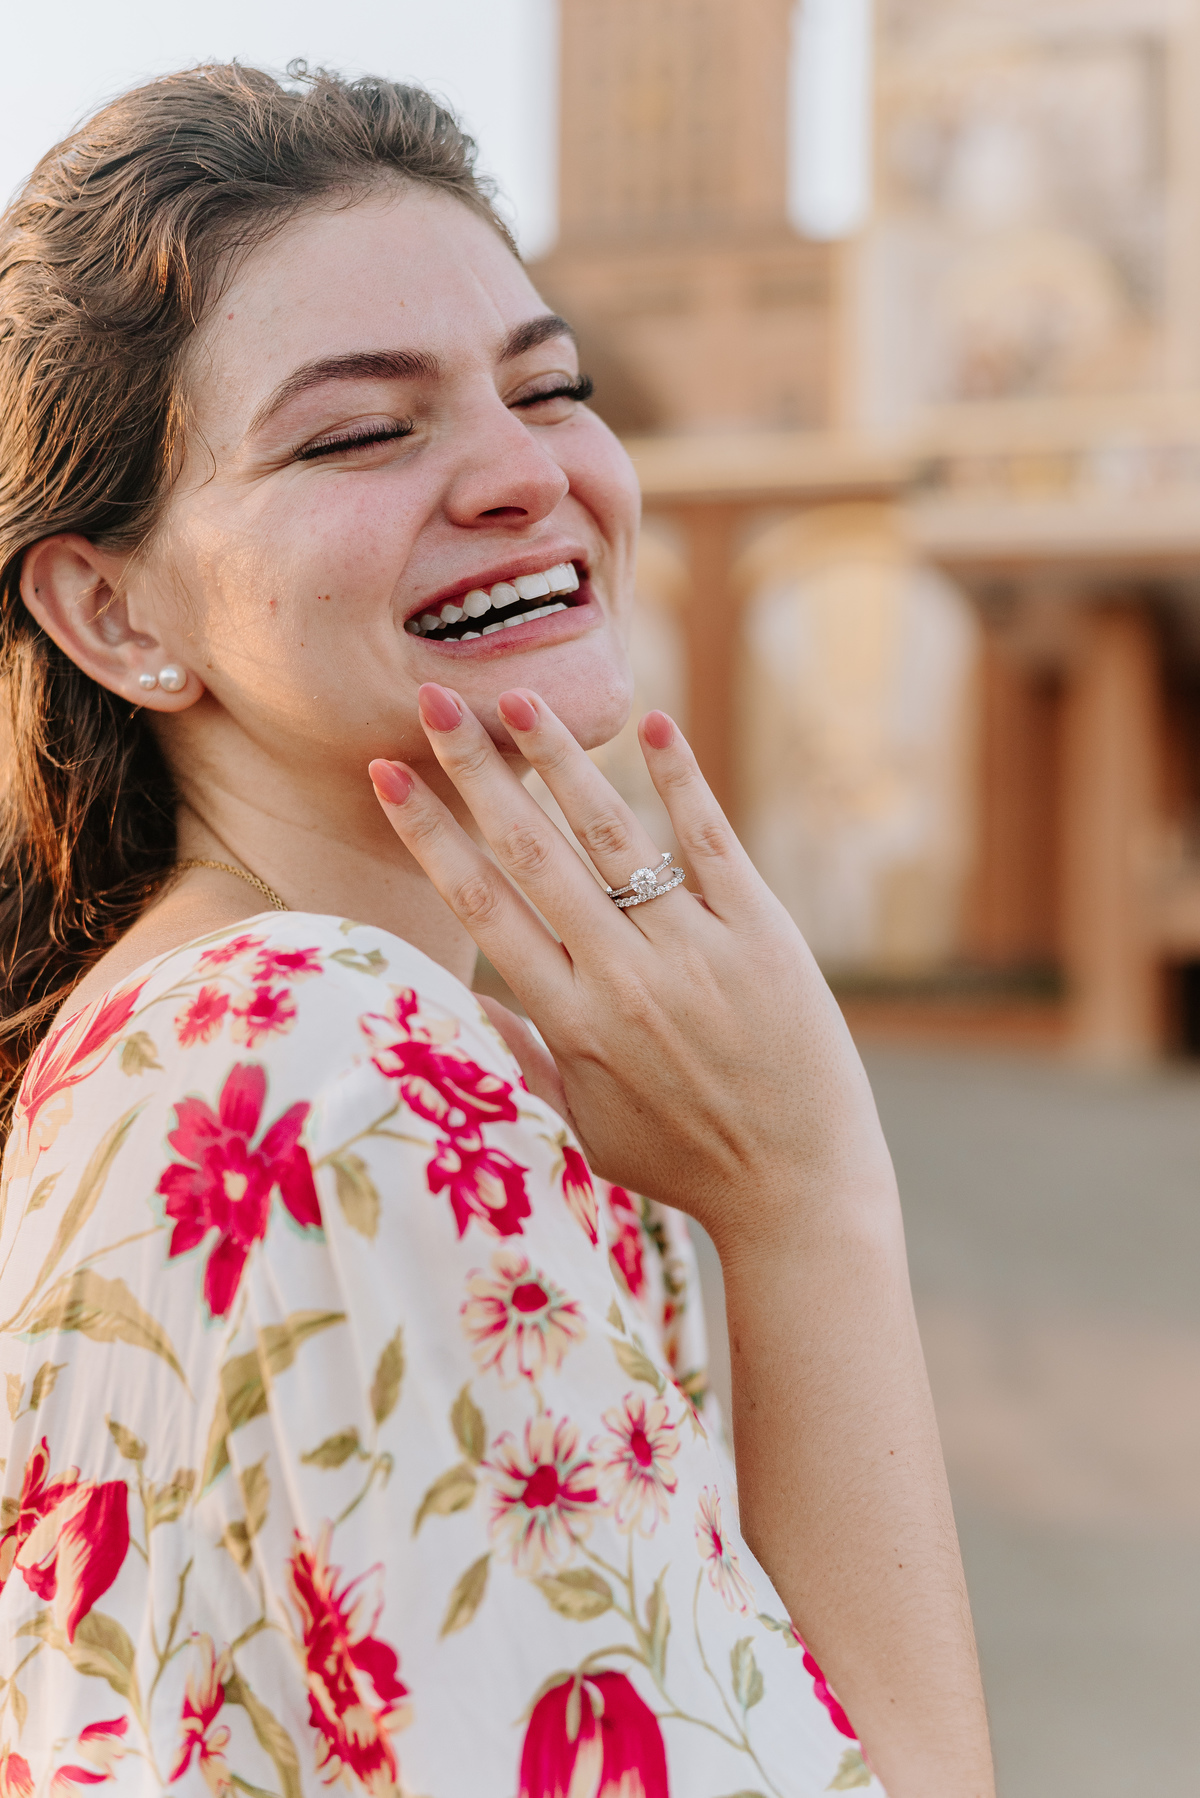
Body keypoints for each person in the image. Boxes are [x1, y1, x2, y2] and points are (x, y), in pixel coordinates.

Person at [0, 65, 994, 1798]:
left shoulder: (214, 1036)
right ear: (110, 606)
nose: (524, 474)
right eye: (361, 430)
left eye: (550, 387)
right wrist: (813, 1195)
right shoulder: (326, 1061)